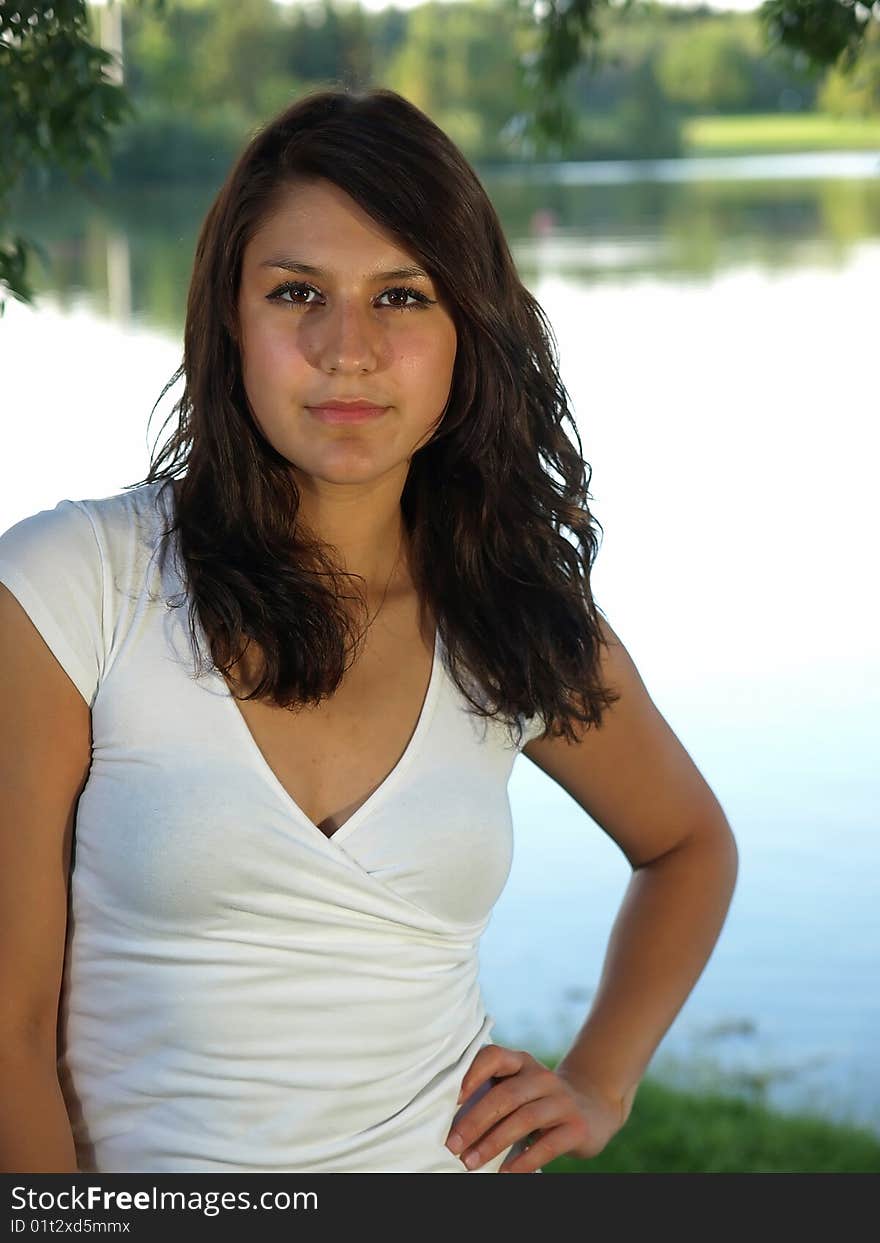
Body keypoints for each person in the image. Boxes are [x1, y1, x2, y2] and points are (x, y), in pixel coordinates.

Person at [0, 87, 738, 1175]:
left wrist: (598, 1081)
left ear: (466, 330)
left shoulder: (508, 614)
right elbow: (8, 1020)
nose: (346, 349)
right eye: (296, 290)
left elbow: (687, 846)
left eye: (400, 295)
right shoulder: (74, 587)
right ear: (227, 322)